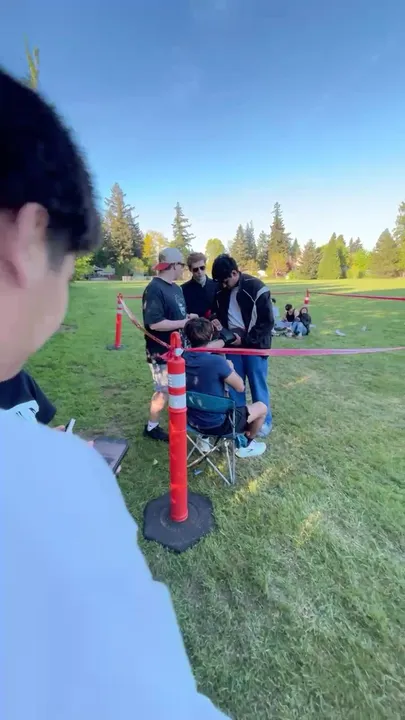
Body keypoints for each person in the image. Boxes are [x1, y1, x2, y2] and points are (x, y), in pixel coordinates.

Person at [0, 69, 226, 719]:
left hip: (174, 360)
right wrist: (62, 469)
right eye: (70, 266)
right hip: (163, 361)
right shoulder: (50, 484)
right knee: (160, 400)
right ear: (28, 238)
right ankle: (158, 427)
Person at [184, 318, 267, 458]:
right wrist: (231, 368)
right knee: (262, 407)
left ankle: (204, 439)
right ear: (210, 336)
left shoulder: (182, 357)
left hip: (191, 420)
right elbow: (240, 387)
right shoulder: (217, 362)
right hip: (218, 424)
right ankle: (246, 445)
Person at [211, 254, 273, 436]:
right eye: (220, 283)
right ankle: (238, 422)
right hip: (231, 346)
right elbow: (216, 312)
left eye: (225, 281)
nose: (223, 286)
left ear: (234, 273)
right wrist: (216, 322)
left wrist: (245, 341)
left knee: (257, 383)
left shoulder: (257, 288)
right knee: (234, 385)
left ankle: (263, 423)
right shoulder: (220, 290)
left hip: (255, 347)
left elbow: (266, 322)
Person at [142, 247, 198, 442]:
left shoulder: (176, 288)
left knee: (179, 387)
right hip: (161, 352)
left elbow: (175, 315)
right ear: (173, 265)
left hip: (178, 350)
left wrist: (187, 317)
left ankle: (181, 421)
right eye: (182, 265)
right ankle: (151, 427)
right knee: (164, 391)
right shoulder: (154, 289)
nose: (184, 268)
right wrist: (183, 323)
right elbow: (154, 323)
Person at [181, 252, 217, 318]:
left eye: (202, 268)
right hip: (194, 323)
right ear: (190, 269)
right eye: (195, 269)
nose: (199, 271)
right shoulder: (183, 289)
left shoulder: (216, 285)